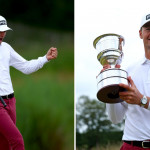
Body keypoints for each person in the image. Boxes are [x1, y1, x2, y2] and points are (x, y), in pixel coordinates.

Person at [0, 15, 58, 150]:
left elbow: (26, 67)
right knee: (17, 140)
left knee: (5, 144)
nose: (2, 34)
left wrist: (45, 58)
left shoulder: (6, 48)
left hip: (10, 101)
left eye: (4, 30)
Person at [105, 12, 150, 150]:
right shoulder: (129, 71)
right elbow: (115, 118)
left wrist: (142, 100)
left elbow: (142, 100)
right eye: (148, 29)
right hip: (132, 146)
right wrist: (109, 84)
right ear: (140, 33)